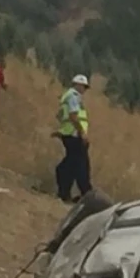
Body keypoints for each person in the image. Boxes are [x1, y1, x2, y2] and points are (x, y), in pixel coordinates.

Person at [54, 73, 91, 202]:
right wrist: (82, 132)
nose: (84, 90)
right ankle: (86, 194)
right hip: (75, 135)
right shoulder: (74, 97)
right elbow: (73, 116)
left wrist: (60, 131)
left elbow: (60, 116)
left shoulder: (67, 96)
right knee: (80, 165)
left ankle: (65, 192)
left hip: (69, 134)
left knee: (72, 164)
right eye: (84, 87)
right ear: (77, 85)